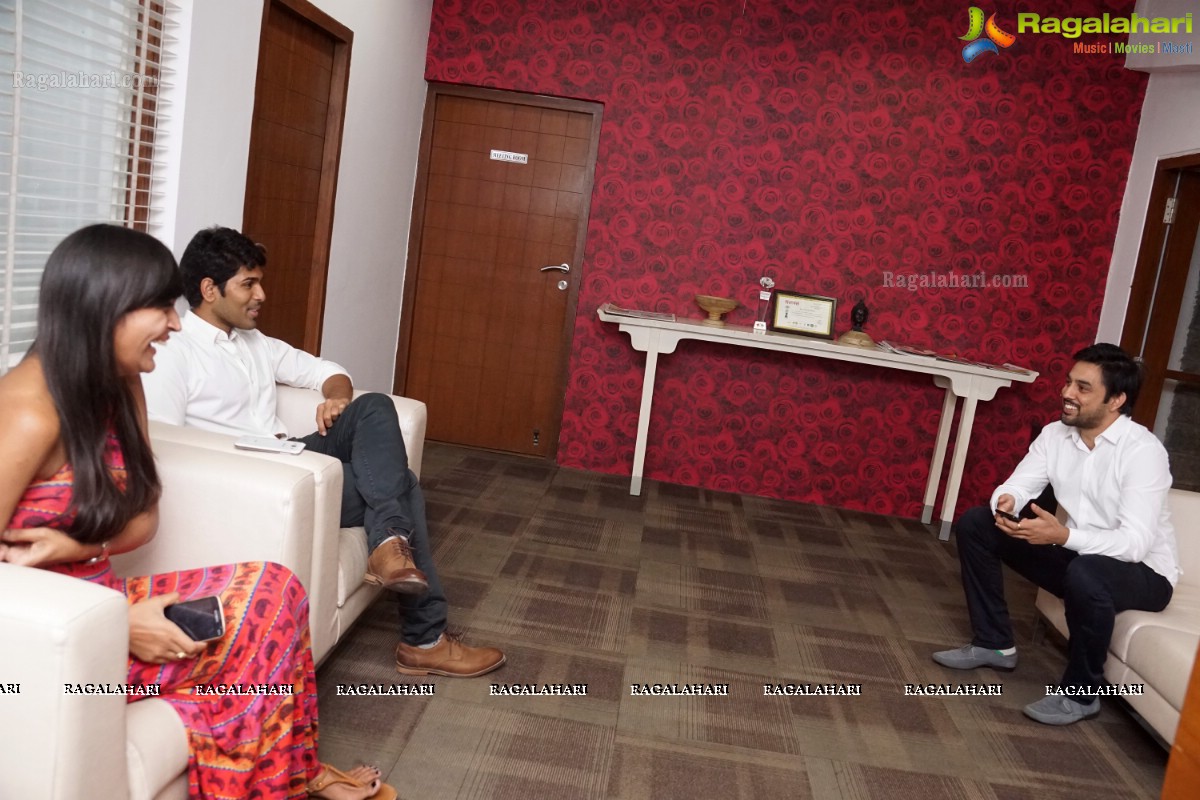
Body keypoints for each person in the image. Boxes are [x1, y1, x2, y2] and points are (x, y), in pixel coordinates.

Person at [0, 224, 394, 799]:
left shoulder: (123, 384)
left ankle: (290, 776)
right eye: (161, 306)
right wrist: (116, 625)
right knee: (256, 626)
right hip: (43, 642)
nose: (177, 322)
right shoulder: (25, 415)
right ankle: (292, 777)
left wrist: (80, 547)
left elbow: (143, 520)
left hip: (103, 605)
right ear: (106, 307)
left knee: (275, 589)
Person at [141, 226, 504, 678]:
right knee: (403, 484)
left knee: (373, 406)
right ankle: (423, 635)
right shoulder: (175, 353)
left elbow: (328, 371)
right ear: (209, 290)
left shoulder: (253, 342)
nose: (262, 295)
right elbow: (165, 446)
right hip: (257, 478)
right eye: (248, 284)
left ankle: (392, 549)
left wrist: (337, 398)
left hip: (292, 453)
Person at [933, 343, 1179, 725]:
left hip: (1144, 573)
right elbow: (1015, 485)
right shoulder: (1055, 435)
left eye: (1083, 388)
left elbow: (1134, 544)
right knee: (977, 524)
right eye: (1068, 383)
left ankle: (1082, 695)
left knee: (1087, 572)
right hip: (1080, 554)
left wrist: (1063, 537)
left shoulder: (1143, 452)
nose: (1066, 393)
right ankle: (994, 645)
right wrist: (1007, 504)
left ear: (1116, 400)